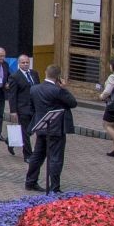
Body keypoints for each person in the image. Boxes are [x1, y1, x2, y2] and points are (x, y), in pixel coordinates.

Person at [24, 65, 78, 193]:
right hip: (55, 129)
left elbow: (32, 108)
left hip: (41, 126)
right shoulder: (57, 90)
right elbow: (73, 103)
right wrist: (64, 89)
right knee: (55, 158)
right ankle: (55, 187)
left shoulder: (34, 89)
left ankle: (30, 182)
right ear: (58, 76)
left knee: (37, 156)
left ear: (45, 73)